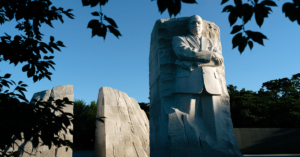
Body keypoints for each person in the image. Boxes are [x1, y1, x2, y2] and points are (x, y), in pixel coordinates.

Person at [172, 15, 225, 143]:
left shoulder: (212, 42)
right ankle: (192, 144)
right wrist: (210, 54)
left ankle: (216, 145)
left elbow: (219, 60)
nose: (196, 26)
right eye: (193, 23)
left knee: (214, 118)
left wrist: (197, 59)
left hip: (211, 81)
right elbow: (184, 52)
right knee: (188, 116)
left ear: (202, 26)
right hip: (188, 80)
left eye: (198, 23)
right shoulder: (179, 39)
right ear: (187, 26)